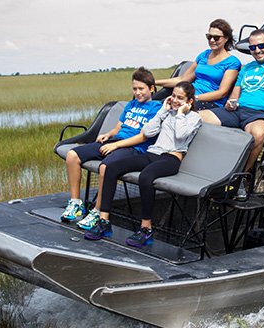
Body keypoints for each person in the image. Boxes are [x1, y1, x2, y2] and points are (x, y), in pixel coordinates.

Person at [84, 81, 202, 247]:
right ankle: (104, 222)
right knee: (111, 168)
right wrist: (162, 111)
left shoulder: (194, 118)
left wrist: (181, 113)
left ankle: (146, 229)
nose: (175, 100)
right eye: (173, 96)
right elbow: (147, 132)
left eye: (180, 98)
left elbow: (181, 136)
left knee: (145, 177)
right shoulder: (167, 112)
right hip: (152, 153)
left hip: (170, 159)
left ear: (189, 101)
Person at [60, 67, 161, 229]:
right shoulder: (131, 104)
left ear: (151, 88)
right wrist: (108, 135)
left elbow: (143, 136)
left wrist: (116, 144)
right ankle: (76, 203)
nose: (137, 92)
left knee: (105, 167)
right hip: (115, 142)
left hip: (133, 148)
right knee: (72, 155)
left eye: (141, 89)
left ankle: (97, 211)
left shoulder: (156, 108)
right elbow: (119, 128)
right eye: (134, 89)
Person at [199, 29, 264, 177]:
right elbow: (234, 95)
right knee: (195, 118)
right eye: (252, 47)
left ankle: (239, 177)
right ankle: (204, 168)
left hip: (261, 114)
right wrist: (230, 103)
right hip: (237, 111)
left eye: (261, 46)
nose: (257, 50)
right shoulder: (246, 68)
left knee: (257, 134)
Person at [154, 19, 241, 110]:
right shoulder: (204, 55)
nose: (212, 40)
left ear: (226, 39)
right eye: (209, 36)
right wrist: (153, 82)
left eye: (216, 37)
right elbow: (183, 79)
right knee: (157, 107)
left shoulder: (232, 62)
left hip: (209, 103)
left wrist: (194, 98)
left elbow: (221, 93)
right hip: (187, 97)